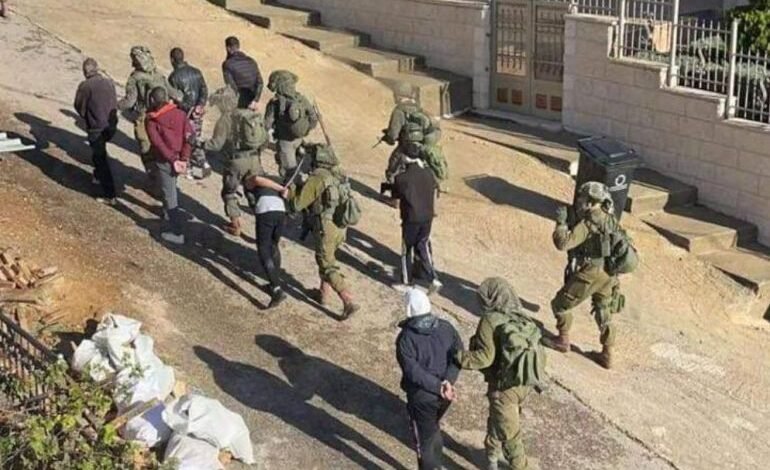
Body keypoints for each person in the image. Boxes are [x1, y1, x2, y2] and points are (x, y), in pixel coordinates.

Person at [456, 277, 546, 470]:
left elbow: (484, 358)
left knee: (511, 438)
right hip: (523, 383)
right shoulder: (523, 317)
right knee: (500, 419)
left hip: (502, 388)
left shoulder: (489, 320)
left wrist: (458, 357)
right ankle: (491, 459)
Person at [542, 181, 626, 369]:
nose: (580, 201)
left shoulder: (589, 223)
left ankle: (562, 340)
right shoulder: (610, 219)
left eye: (583, 198)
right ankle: (607, 353)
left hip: (591, 272)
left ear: (591, 201)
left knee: (560, 305)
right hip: (609, 274)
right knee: (602, 309)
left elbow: (563, 243)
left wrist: (561, 223)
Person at [288, 144, 359, 319]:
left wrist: (292, 189)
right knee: (328, 258)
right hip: (340, 227)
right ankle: (323, 294)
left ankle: (347, 300)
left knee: (327, 264)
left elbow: (297, 204)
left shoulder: (318, 178)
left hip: (325, 226)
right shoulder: (339, 174)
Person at [396, 288, 463, 470]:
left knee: (424, 442)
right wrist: (448, 382)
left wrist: (437, 385)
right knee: (432, 427)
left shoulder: (406, 338)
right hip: (446, 395)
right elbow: (458, 357)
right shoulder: (447, 328)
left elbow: (412, 371)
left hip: (421, 398)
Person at [203, 87, 267, 237]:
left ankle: (235, 225)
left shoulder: (226, 119)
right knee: (255, 192)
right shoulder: (252, 115)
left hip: (236, 161)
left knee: (229, 192)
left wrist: (200, 144)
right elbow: (264, 140)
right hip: (254, 160)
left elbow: (216, 144)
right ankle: (264, 225)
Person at [118, 46, 180, 177]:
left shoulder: (135, 78)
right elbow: (174, 94)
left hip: (144, 117)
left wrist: (116, 105)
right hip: (163, 116)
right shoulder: (159, 75)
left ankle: (153, 175)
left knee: (145, 148)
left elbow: (129, 101)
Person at [145, 87, 193, 245]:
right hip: (179, 159)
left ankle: (177, 232)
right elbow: (189, 138)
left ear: (152, 100)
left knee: (170, 196)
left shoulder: (152, 120)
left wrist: (173, 160)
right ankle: (168, 216)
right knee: (171, 188)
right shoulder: (181, 114)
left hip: (165, 161)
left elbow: (158, 144)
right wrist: (184, 158)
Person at [392, 154, 442, 294]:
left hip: (411, 219)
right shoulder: (429, 173)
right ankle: (433, 278)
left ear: (405, 159)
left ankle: (406, 281)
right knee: (423, 245)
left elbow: (395, 196)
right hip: (427, 217)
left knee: (406, 249)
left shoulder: (401, 178)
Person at [74, 58, 119, 205]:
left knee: (100, 158)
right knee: (99, 152)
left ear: (85, 71)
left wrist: (87, 116)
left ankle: (110, 195)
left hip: (96, 127)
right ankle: (97, 175)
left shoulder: (85, 86)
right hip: (111, 125)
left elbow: (79, 106)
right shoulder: (109, 82)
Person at [245, 173, 290, 308]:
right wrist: (284, 191)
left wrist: (281, 189)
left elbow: (256, 179)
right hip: (280, 211)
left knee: (263, 248)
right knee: (273, 245)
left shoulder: (251, 179)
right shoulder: (277, 180)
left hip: (266, 211)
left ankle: (276, 289)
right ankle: (274, 279)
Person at [264, 70, 318, 178]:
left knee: (289, 174)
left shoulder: (275, 103)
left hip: (285, 143)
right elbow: (313, 119)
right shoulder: (301, 99)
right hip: (299, 140)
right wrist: (304, 129)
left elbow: (266, 125)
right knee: (296, 167)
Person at [168, 47, 211, 180]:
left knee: (185, 141)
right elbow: (204, 90)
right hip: (197, 113)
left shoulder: (174, 77)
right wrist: (200, 105)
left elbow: (175, 97)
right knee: (195, 138)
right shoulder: (196, 72)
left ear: (172, 60)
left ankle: (190, 168)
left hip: (184, 114)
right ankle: (202, 163)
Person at [381, 83, 437, 184]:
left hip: (405, 147)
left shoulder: (399, 110)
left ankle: (393, 188)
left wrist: (388, 138)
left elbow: (393, 135)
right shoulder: (419, 109)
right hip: (421, 148)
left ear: (398, 96)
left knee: (393, 165)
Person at [222, 36, 264, 109]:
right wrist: (255, 100)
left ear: (228, 48)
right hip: (252, 101)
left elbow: (230, 86)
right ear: (238, 46)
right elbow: (260, 83)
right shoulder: (251, 61)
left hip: (239, 102)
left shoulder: (227, 64)